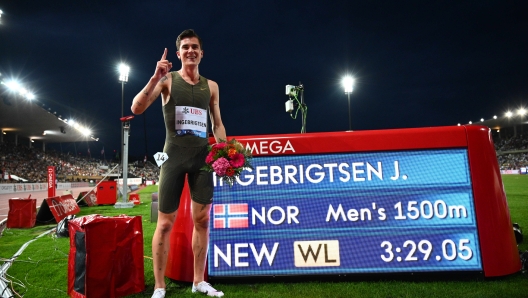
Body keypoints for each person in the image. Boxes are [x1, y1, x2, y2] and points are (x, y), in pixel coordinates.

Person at [131, 29, 226, 298]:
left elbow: (217, 124)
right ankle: (160, 286)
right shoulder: (167, 80)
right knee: (164, 223)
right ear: (178, 53)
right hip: (173, 157)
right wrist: (153, 79)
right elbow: (136, 108)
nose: (190, 51)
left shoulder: (212, 86)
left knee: (203, 219)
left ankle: (199, 281)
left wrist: (224, 152)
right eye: (185, 47)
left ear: (201, 52)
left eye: (195, 46)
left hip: (202, 159)